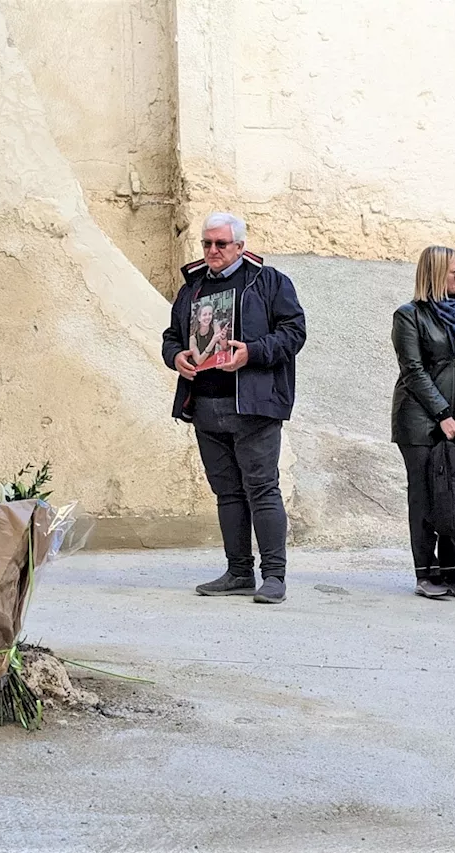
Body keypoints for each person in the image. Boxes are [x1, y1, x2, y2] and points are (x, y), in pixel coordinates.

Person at [162, 212, 307, 604]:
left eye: (221, 244)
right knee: (227, 492)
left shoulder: (269, 281)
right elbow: (171, 336)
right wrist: (175, 356)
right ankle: (239, 571)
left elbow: (294, 333)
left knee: (262, 489)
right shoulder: (192, 288)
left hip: (254, 407)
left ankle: (273, 575)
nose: (212, 251)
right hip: (206, 405)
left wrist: (252, 353)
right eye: (207, 243)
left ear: (240, 246)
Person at [390, 246, 455, 601]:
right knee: (426, 495)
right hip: (418, 421)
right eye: (453, 271)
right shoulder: (408, 316)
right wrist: (443, 415)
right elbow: (412, 370)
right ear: (433, 275)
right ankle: (425, 571)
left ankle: (452, 571)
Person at [190, 303, 228, 367]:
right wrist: (213, 341)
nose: (207, 317)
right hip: (196, 370)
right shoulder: (193, 338)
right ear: (199, 318)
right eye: (204, 315)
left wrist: (223, 337)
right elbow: (199, 361)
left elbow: (224, 347)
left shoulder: (215, 326)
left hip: (211, 366)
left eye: (210, 314)